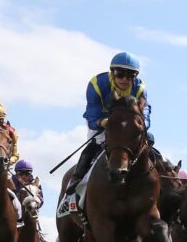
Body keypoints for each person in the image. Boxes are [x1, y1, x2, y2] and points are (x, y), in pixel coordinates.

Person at [64, 52, 149, 196]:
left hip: (128, 124)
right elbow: (91, 113)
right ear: (112, 72)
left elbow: (145, 111)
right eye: (120, 74)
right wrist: (101, 122)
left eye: (130, 76)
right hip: (103, 121)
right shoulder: (97, 84)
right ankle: (76, 178)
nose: (124, 79)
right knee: (96, 143)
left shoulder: (140, 88)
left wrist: (141, 124)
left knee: (149, 141)